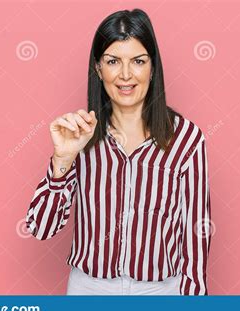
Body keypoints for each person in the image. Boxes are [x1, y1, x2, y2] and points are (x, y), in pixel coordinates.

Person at [25, 8, 211, 295]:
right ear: (99, 69)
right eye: (113, 61)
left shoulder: (186, 139)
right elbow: (40, 227)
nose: (126, 75)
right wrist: (62, 160)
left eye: (138, 61)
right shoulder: (80, 135)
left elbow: (196, 234)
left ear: (153, 67)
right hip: (89, 290)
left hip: (161, 293)